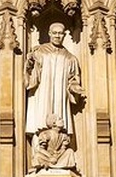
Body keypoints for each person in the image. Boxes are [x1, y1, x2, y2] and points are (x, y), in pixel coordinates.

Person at [25, 22, 84, 166]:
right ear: (49, 34)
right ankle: (39, 155)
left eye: (61, 33)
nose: (58, 36)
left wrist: (75, 87)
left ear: (64, 35)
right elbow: (31, 76)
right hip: (42, 95)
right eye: (55, 33)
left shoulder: (70, 58)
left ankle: (60, 154)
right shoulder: (40, 52)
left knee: (60, 122)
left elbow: (73, 79)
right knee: (40, 123)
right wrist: (29, 63)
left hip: (60, 97)